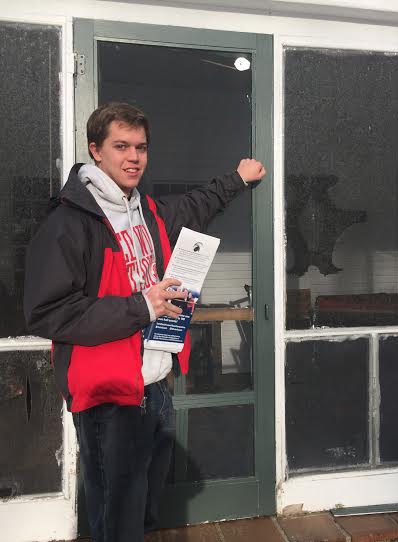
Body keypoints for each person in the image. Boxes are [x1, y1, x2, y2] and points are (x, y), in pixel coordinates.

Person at [24, 102, 266, 542]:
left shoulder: (145, 211)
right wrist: (143, 307)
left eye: (141, 147)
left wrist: (238, 178)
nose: (134, 157)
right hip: (109, 396)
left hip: (155, 386)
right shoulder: (69, 223)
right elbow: (48, 312)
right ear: (95, 150)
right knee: (116, 520)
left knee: (144, 512)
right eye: (121, 146)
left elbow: (194, 206)